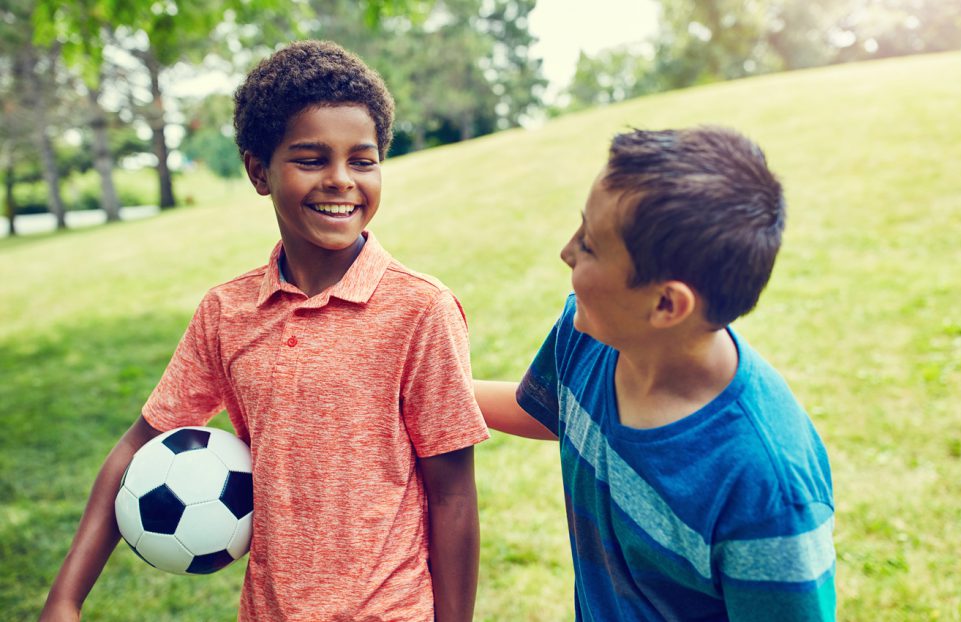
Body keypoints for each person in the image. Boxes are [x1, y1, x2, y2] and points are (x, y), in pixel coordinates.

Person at [40, 40, 489, 622]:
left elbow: (453, 496)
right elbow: (134, 447)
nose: (341, 180)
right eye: (310, 159)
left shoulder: (420, 309)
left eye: (362, 159)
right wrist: (65, 599)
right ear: (259, 171)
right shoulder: (227, 313)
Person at [475, 126, 836, 621]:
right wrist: (412, 387)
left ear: (667, 303)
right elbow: (546, 410)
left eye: (590, 244)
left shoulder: (766, 489)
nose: (566, 251)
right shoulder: (588, 337)